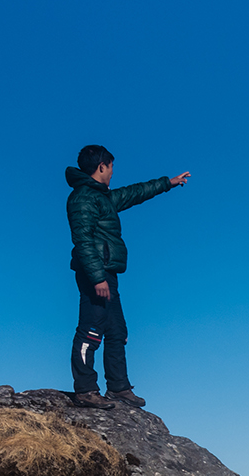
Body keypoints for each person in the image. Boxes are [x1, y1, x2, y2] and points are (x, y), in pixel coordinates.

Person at [64, 145, 190, 407]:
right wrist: (97, 277)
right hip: (94, 274)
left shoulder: (103, 197)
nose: (112, 173)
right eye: (111, 167)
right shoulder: (83, 198)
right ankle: (86, 390)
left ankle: (119, 387)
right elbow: (83, 240)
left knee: (117, 331)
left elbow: (136, 192)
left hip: (107, 273)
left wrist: (168, 182)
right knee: (91, 329)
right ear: (102, 167)